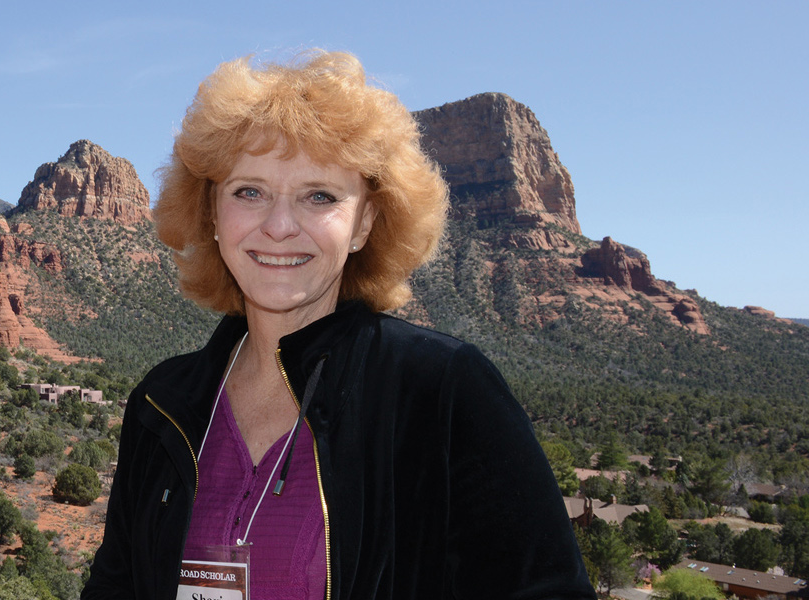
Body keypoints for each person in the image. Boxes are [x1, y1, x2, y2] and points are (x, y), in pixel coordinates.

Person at [81, 51, 595, 599]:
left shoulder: (442, 390)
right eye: (248, 191)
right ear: (211, 213)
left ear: (364, 223)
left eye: (319, 196)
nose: (278, 226)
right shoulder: (163, 403)